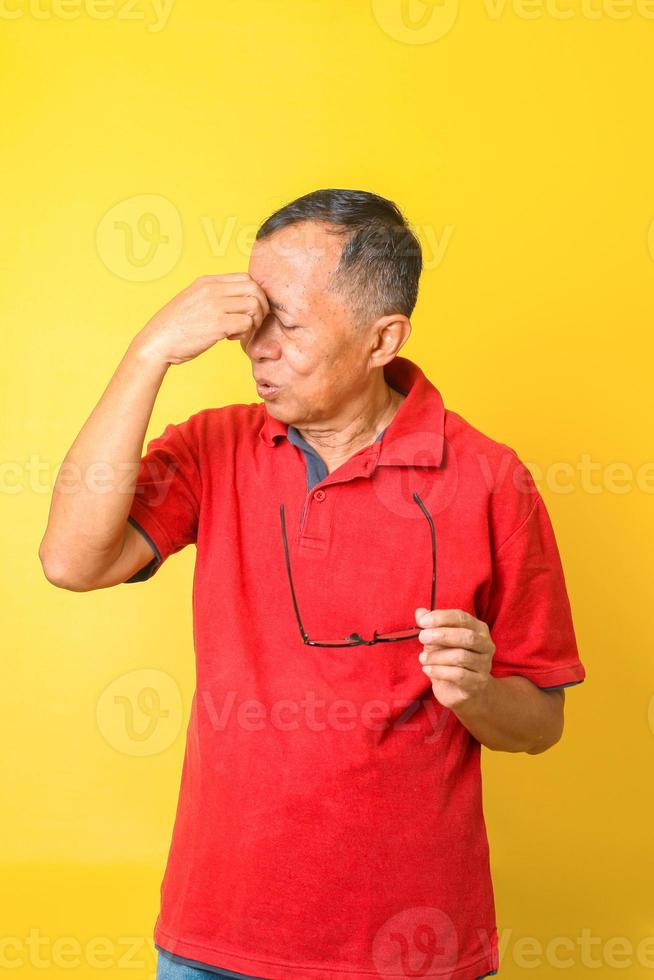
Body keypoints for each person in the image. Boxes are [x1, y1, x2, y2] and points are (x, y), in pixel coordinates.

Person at [39, 189, 586, 980]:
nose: (257, 347)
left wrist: (477, 691)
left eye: (286, 324)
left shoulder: (490, 478)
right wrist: (148, 351)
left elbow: (539, 724)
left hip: (411, 951)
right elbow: (70, 561)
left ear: (381, 339)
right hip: (213, 940)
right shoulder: (215, 447)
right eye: (250, 321)